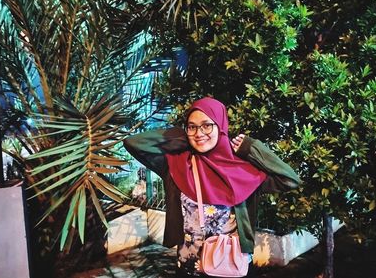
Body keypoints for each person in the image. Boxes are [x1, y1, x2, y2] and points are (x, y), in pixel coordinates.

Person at [123, 97, 301, 277]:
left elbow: (290, 179)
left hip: (230, 265)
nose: (199, 133)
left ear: (221, 126)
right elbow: (133, 143)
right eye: (192, 126)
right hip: (189, 266)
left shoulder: (243, 171)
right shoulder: (178, 166)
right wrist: (182, 137)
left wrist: (252, 148)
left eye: (206, 125)